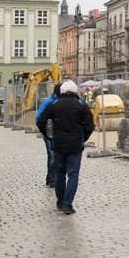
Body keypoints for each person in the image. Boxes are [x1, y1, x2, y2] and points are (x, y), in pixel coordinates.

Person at [36, 80, 94, 215]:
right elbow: (89, 125)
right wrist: (83, 138)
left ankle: (60, 202)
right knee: (73, 175)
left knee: (59, 174)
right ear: (75, 91)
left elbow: (41, 121)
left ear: (62, 91)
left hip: (58, 144)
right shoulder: (81, 105)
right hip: (75, 145)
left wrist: (48, 135)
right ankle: (68, 205)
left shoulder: (54, 105)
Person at [35, 82, 62, 188]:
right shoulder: (48, 102)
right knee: (52, 155)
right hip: (49, 133)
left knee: (54, 155)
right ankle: (52, 179)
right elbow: (38, 118)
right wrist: (45, 133)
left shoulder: (59, 101)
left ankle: (50, 178)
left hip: (57, 133)